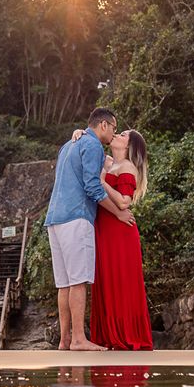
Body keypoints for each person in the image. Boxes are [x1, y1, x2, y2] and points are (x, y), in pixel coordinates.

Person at [44, 108, 135, 351]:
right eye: (114, 128)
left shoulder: (68, 145)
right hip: (76, 218)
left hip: (54, 219)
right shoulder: (93, 146)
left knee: (63, 283)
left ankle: (65, 340)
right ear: (103, 125)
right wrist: (118, 213)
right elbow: (93, 187)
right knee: (78, 281)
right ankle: (78, 339)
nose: (114, 133)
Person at [72, 127, 153, 350]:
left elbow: (124, 202)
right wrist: (79, 131)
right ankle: (107, 334)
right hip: (104, 230)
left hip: (120, 232)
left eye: (124, 135)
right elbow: (90, 143)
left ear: (129, 146)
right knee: (105, 279)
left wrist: (102, 182)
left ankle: (125, 334)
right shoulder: (109, 162)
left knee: (121, 281)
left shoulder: (127, 167)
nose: (118, 135)